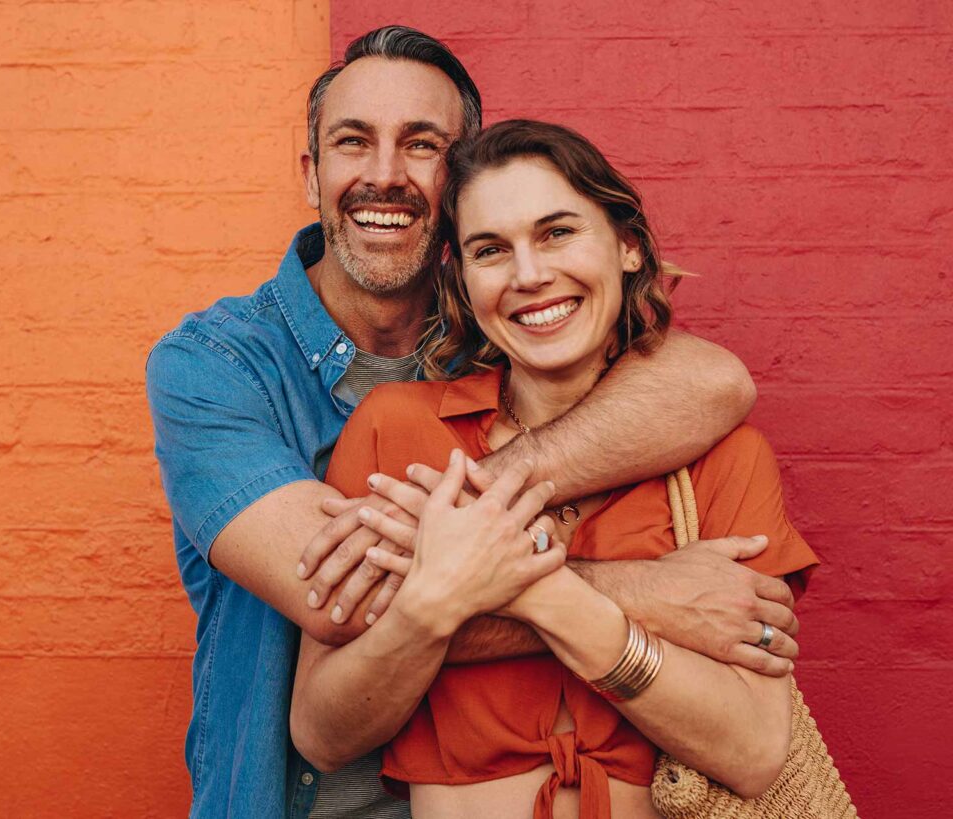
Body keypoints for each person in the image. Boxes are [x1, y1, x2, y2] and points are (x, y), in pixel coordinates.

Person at [146, 26, 790, 819]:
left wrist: (468, 529)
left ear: (457, 180)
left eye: (420, 144)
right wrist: (650, 595)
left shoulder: (507, 351)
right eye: (353, 142)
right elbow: (344, 602)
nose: (383, 175)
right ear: (311, 170)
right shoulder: (217, 365)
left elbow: (718, 382)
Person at [290, 120, 818, 818]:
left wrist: (520, 584)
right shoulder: (397, 431)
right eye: (489, 250)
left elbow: (752, 751)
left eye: (557, 232)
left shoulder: (722, 454)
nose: (529, 275)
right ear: (462, 280)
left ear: (628, 246)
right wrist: (453, 600)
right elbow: (324, 733)